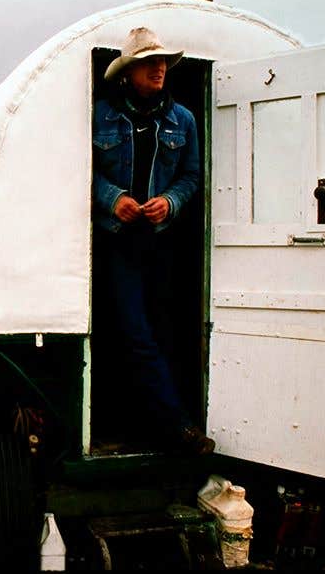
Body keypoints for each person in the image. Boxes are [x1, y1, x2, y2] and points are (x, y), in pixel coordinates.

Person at [92, 26, 214, 456]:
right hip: (116, 242)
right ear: (128, 73)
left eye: (162, 62)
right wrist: (113, 199)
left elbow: (192, 176)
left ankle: (148, 423)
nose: (159, 68)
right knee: (134, 332)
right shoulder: (100, 115)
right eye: (149, 62)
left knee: (163, 331)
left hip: (161, 243)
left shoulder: (183, 120)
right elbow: (78, 168)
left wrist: (171, 202)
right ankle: (176, 428)